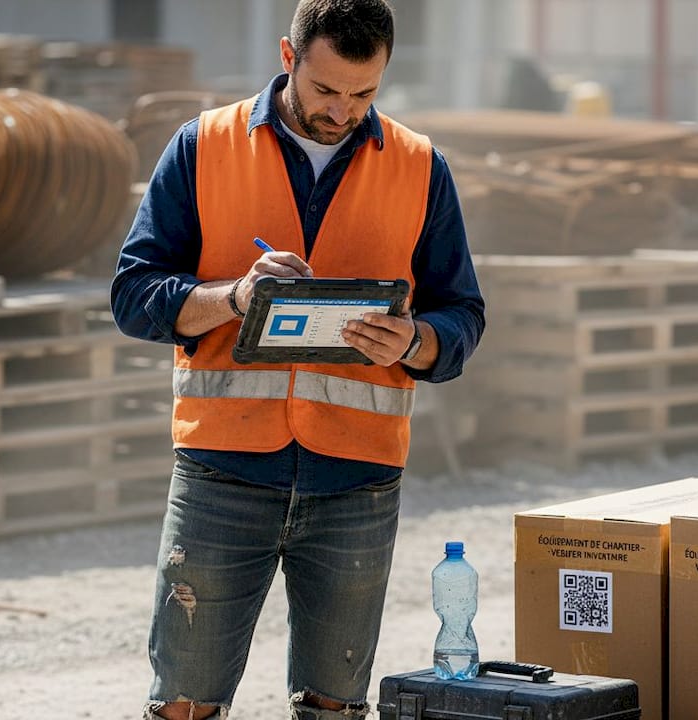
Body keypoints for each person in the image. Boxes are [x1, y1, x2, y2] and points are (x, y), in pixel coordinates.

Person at [111, 1, 485, 717]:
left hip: (357, 482)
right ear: (289, 58)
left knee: (335, 707)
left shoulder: (420, 167)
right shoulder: (204, 146)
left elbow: (462, 314)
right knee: (182, 703)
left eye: (364, 93)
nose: (343, 110)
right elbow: (133, 295)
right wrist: (230, 298)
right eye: (326, 90)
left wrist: (414, 342)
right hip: (223, 471)